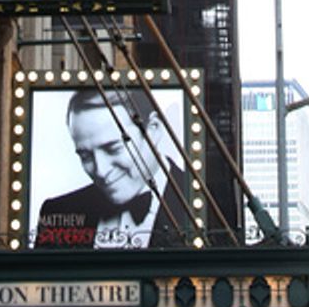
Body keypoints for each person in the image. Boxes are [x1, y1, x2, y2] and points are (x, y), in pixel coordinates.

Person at [34, 87, 192, 249]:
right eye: (85, 156)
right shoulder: (56, 211)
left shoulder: (202, 203)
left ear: (153, 129)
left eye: (113, 148)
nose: (101, 171)